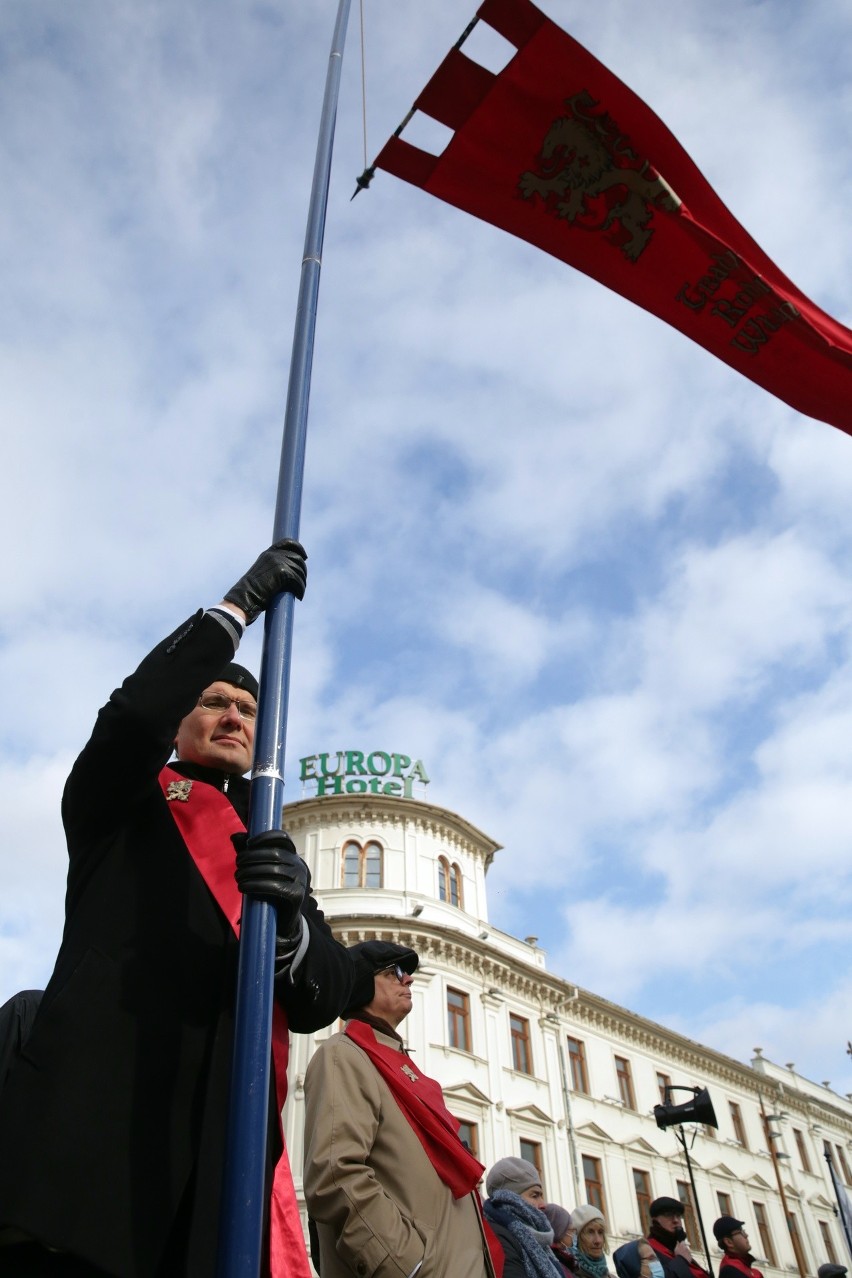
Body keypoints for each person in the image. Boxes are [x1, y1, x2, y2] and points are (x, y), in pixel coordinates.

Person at [0, 541, 354, 1278]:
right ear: (183, 718)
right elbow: (132, 717)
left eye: (248, 708)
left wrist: (289, 920)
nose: (232, 716)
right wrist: (236, 610)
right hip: (93, 1147)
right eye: (213, 701)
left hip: (213, 1163)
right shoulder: (122, 801)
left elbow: (329, 993)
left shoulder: (271, 853)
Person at [303, 939, 498, 1278]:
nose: (407, 979)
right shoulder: (344, 1055)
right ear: (364, 983)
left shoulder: (404, 1070)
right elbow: (335, 1175)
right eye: (394, 972)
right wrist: (408, 1265)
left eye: (406, 973)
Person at [482, 1157, 564, 1277]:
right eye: (535, 1195)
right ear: (510, 1198)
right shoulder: (499, 1236)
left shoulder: (538, 1239)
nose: (543, 1204)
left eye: (541, 1196)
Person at [647, 1198, 709, 1278]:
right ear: (655, 1220)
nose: (676, 1220)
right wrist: (681, 1260)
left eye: (678, 1216)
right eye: (668, 1215)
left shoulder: (678, 1249)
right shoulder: (646, 1249)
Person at [569, 1204, 615, 1278]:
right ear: (577, 1238)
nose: (598, 1241)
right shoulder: (566, 1274)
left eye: (600, 1232)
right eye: (590, 1232)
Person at [542, 1204, 575, 1273]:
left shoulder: (566, 1258)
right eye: (571, 1230)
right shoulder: (553, 1263)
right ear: (559, 1232)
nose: (573, 1235)